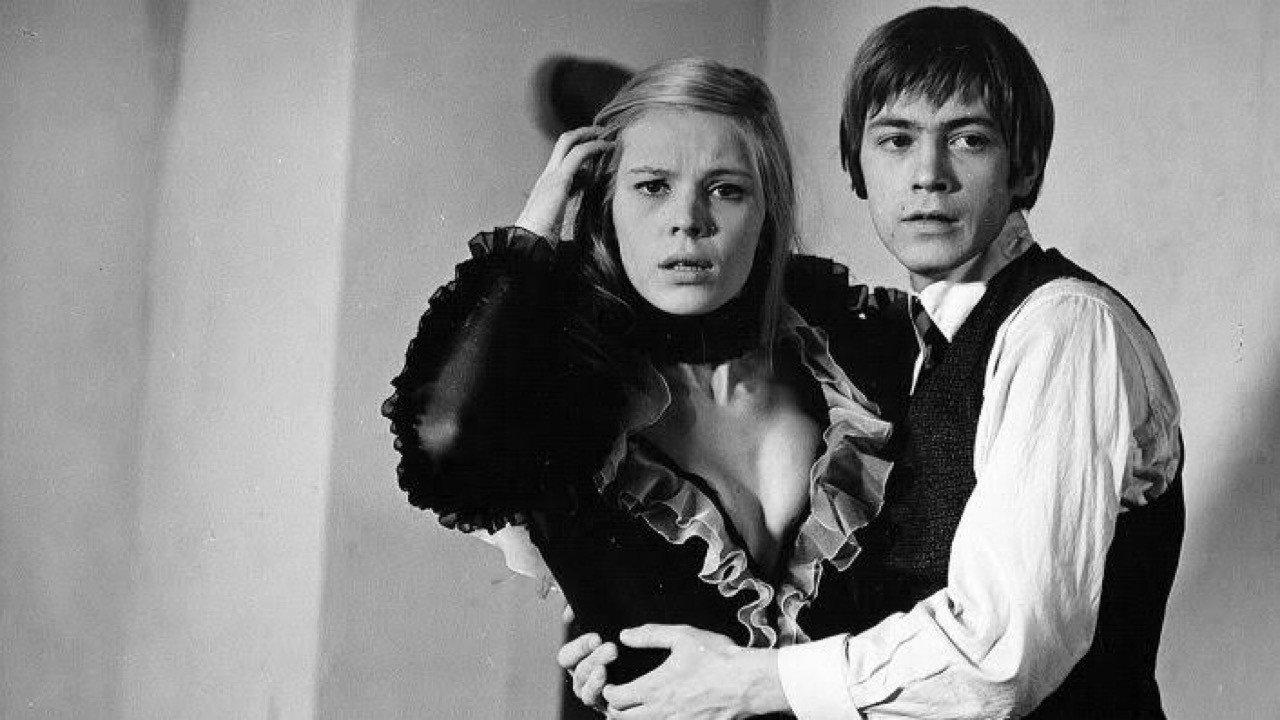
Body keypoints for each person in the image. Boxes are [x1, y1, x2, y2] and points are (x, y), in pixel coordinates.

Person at [561, 7, 1185, 719]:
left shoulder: (1063, 328)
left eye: (969, 139)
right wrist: (642, 659)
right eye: (896, 140)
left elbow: (1001, 656)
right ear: (856, 166)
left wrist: (747, 682)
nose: (928, 175)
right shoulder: (909, 351)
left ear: (1026, 165)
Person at [382, 57, 915, 706]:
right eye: (652, 187)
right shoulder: (561, 393)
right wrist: (533, 231)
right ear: (603, 204)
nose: (687, 219)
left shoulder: (852, 359)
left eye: (726, 190)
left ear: (767, 211)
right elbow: (444, 435)